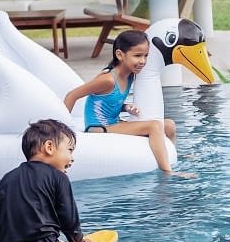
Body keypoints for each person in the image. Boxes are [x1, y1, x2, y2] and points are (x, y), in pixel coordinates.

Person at [0, 119, 101, 242]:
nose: (72, 158)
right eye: (69, 150)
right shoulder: (59, 178)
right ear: (49, 147)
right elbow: (69, 222)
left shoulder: (8, 178)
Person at [63, 29, 186, 176]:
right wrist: (63, 130)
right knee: (154, 126)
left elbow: (107, 102)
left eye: (146, 56)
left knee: (169, 125)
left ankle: (172, 156)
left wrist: (126, 107)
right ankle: (168, 171)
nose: (143, 61)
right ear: (120, 55)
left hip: (114, 123)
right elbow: (72, 95)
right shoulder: (107, 80)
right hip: (99, 128)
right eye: (137, 56)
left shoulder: (130, 75)